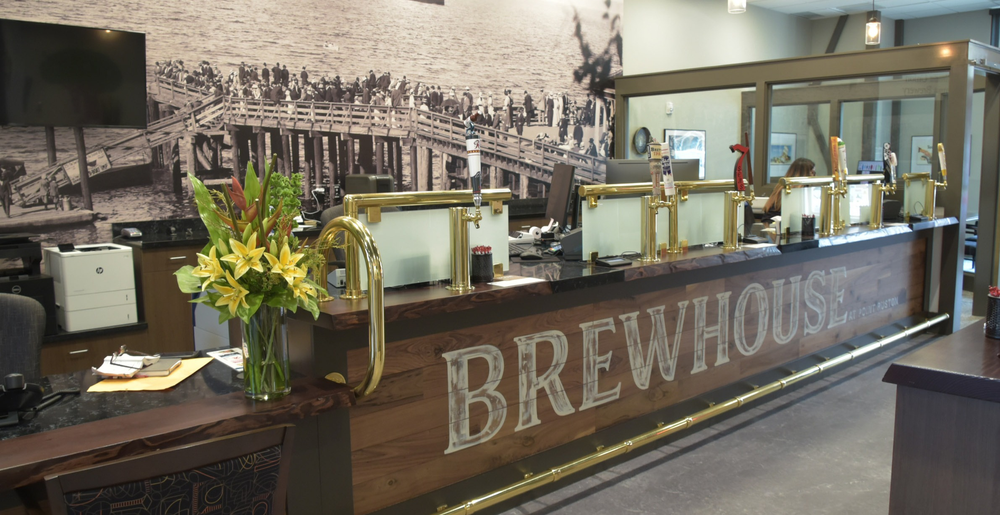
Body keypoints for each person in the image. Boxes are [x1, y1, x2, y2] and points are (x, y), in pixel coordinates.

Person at [762, 157, 816, 225]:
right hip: (777, 228)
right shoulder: (794, 192)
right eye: (812, 173)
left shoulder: (781, 187)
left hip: (771, 226)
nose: (814, 176)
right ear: (804, 174)